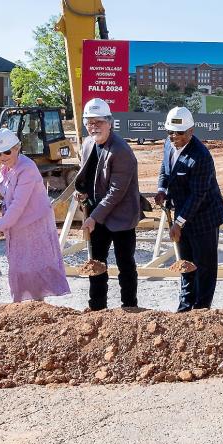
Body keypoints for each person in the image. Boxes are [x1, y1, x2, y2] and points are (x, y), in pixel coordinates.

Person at [154, 106, 223, 312]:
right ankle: (186, 307)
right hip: (183, 213)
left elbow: (198, 195)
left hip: (204, 217)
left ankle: (201, 310)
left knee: (204, 266)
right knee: (185, 263)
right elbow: (164, 168)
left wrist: (178, 223)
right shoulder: (168, 145)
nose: (174, 137)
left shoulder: (200, 156)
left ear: (191, 131)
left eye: (180, 133)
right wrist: (162, 189)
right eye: (170, 132)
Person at [74, 98, 143, 311]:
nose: (94, 127)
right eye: (89, 122)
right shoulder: (88, 144)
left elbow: (116, 193)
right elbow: (87, 175)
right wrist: (81, 192)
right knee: (96, 263)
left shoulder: (121, 151)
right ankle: (97, 308)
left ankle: (129, 307)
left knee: (125, 264)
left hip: (121, 217)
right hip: (97, 214)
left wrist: (94, 217)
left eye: (99, 122)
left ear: (110, 123)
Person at [0, 128, 69, 302]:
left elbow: (18, 205)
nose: (2, 157)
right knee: (18, 265)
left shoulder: (27, 169)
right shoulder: (6, 167)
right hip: (16, 224)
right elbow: (8, 190)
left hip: (34, 224)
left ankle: (37, 305)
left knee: (34, 265)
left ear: (17, 147)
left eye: (7, 152)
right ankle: (21, 304)